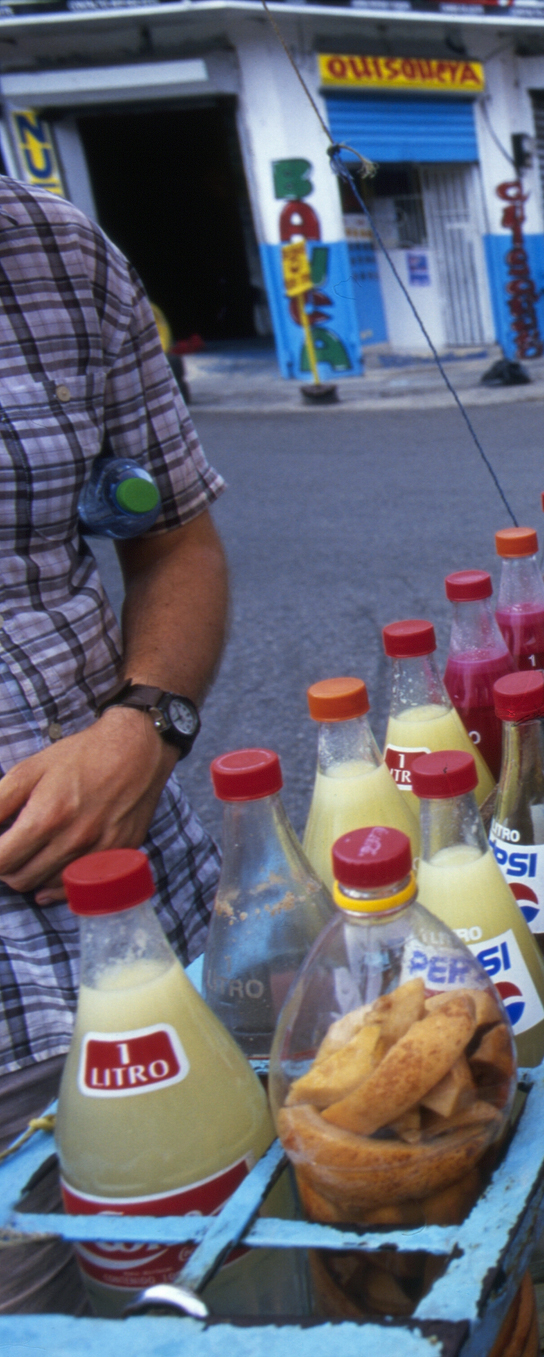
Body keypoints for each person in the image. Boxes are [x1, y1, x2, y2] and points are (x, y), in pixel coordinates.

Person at [0, 178, 231, 1313]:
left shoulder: (56, 251)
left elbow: (175, 540)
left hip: (148, 926)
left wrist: (149, 726)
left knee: (217, 1297)